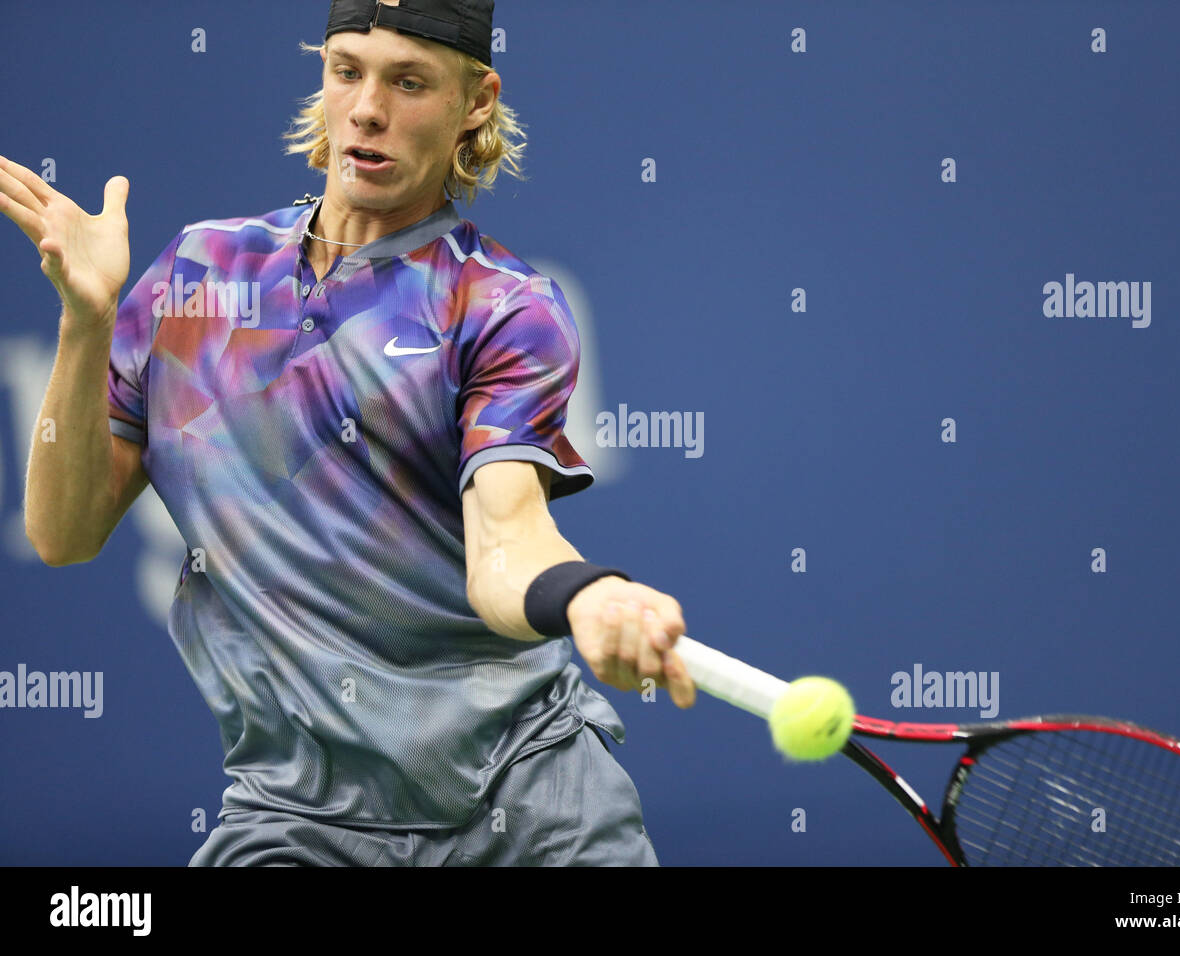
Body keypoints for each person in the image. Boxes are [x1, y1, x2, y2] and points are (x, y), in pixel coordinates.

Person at [3, 0, 695, 866]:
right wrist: (87, 321)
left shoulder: (503, 306)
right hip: (294, 817)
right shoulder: (198, 274)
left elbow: (507, 543)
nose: (368, 108)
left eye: (409, 82)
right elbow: (61, 535)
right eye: (347, 70)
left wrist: (587, 594)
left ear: (476, 101)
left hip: (533, 807)